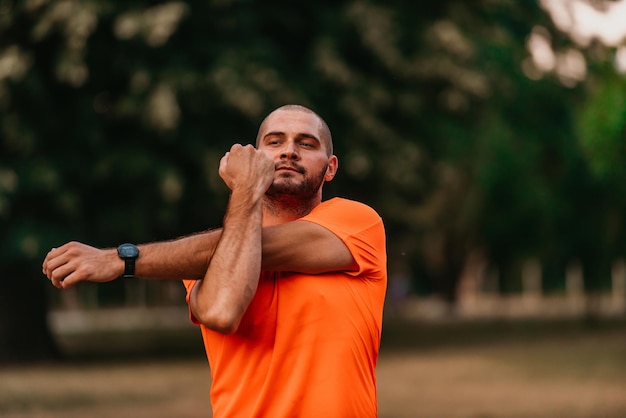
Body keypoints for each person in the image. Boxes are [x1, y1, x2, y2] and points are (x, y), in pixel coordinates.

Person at [43, 104, 387, 417]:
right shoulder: (209, 257)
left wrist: (121, 259)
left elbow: (265, 248)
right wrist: (247, 190)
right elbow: (223, 311)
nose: (289, 151)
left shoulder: (357, 222)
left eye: (307, 144)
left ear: (330, 168)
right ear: (256, 157)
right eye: (275, 141)